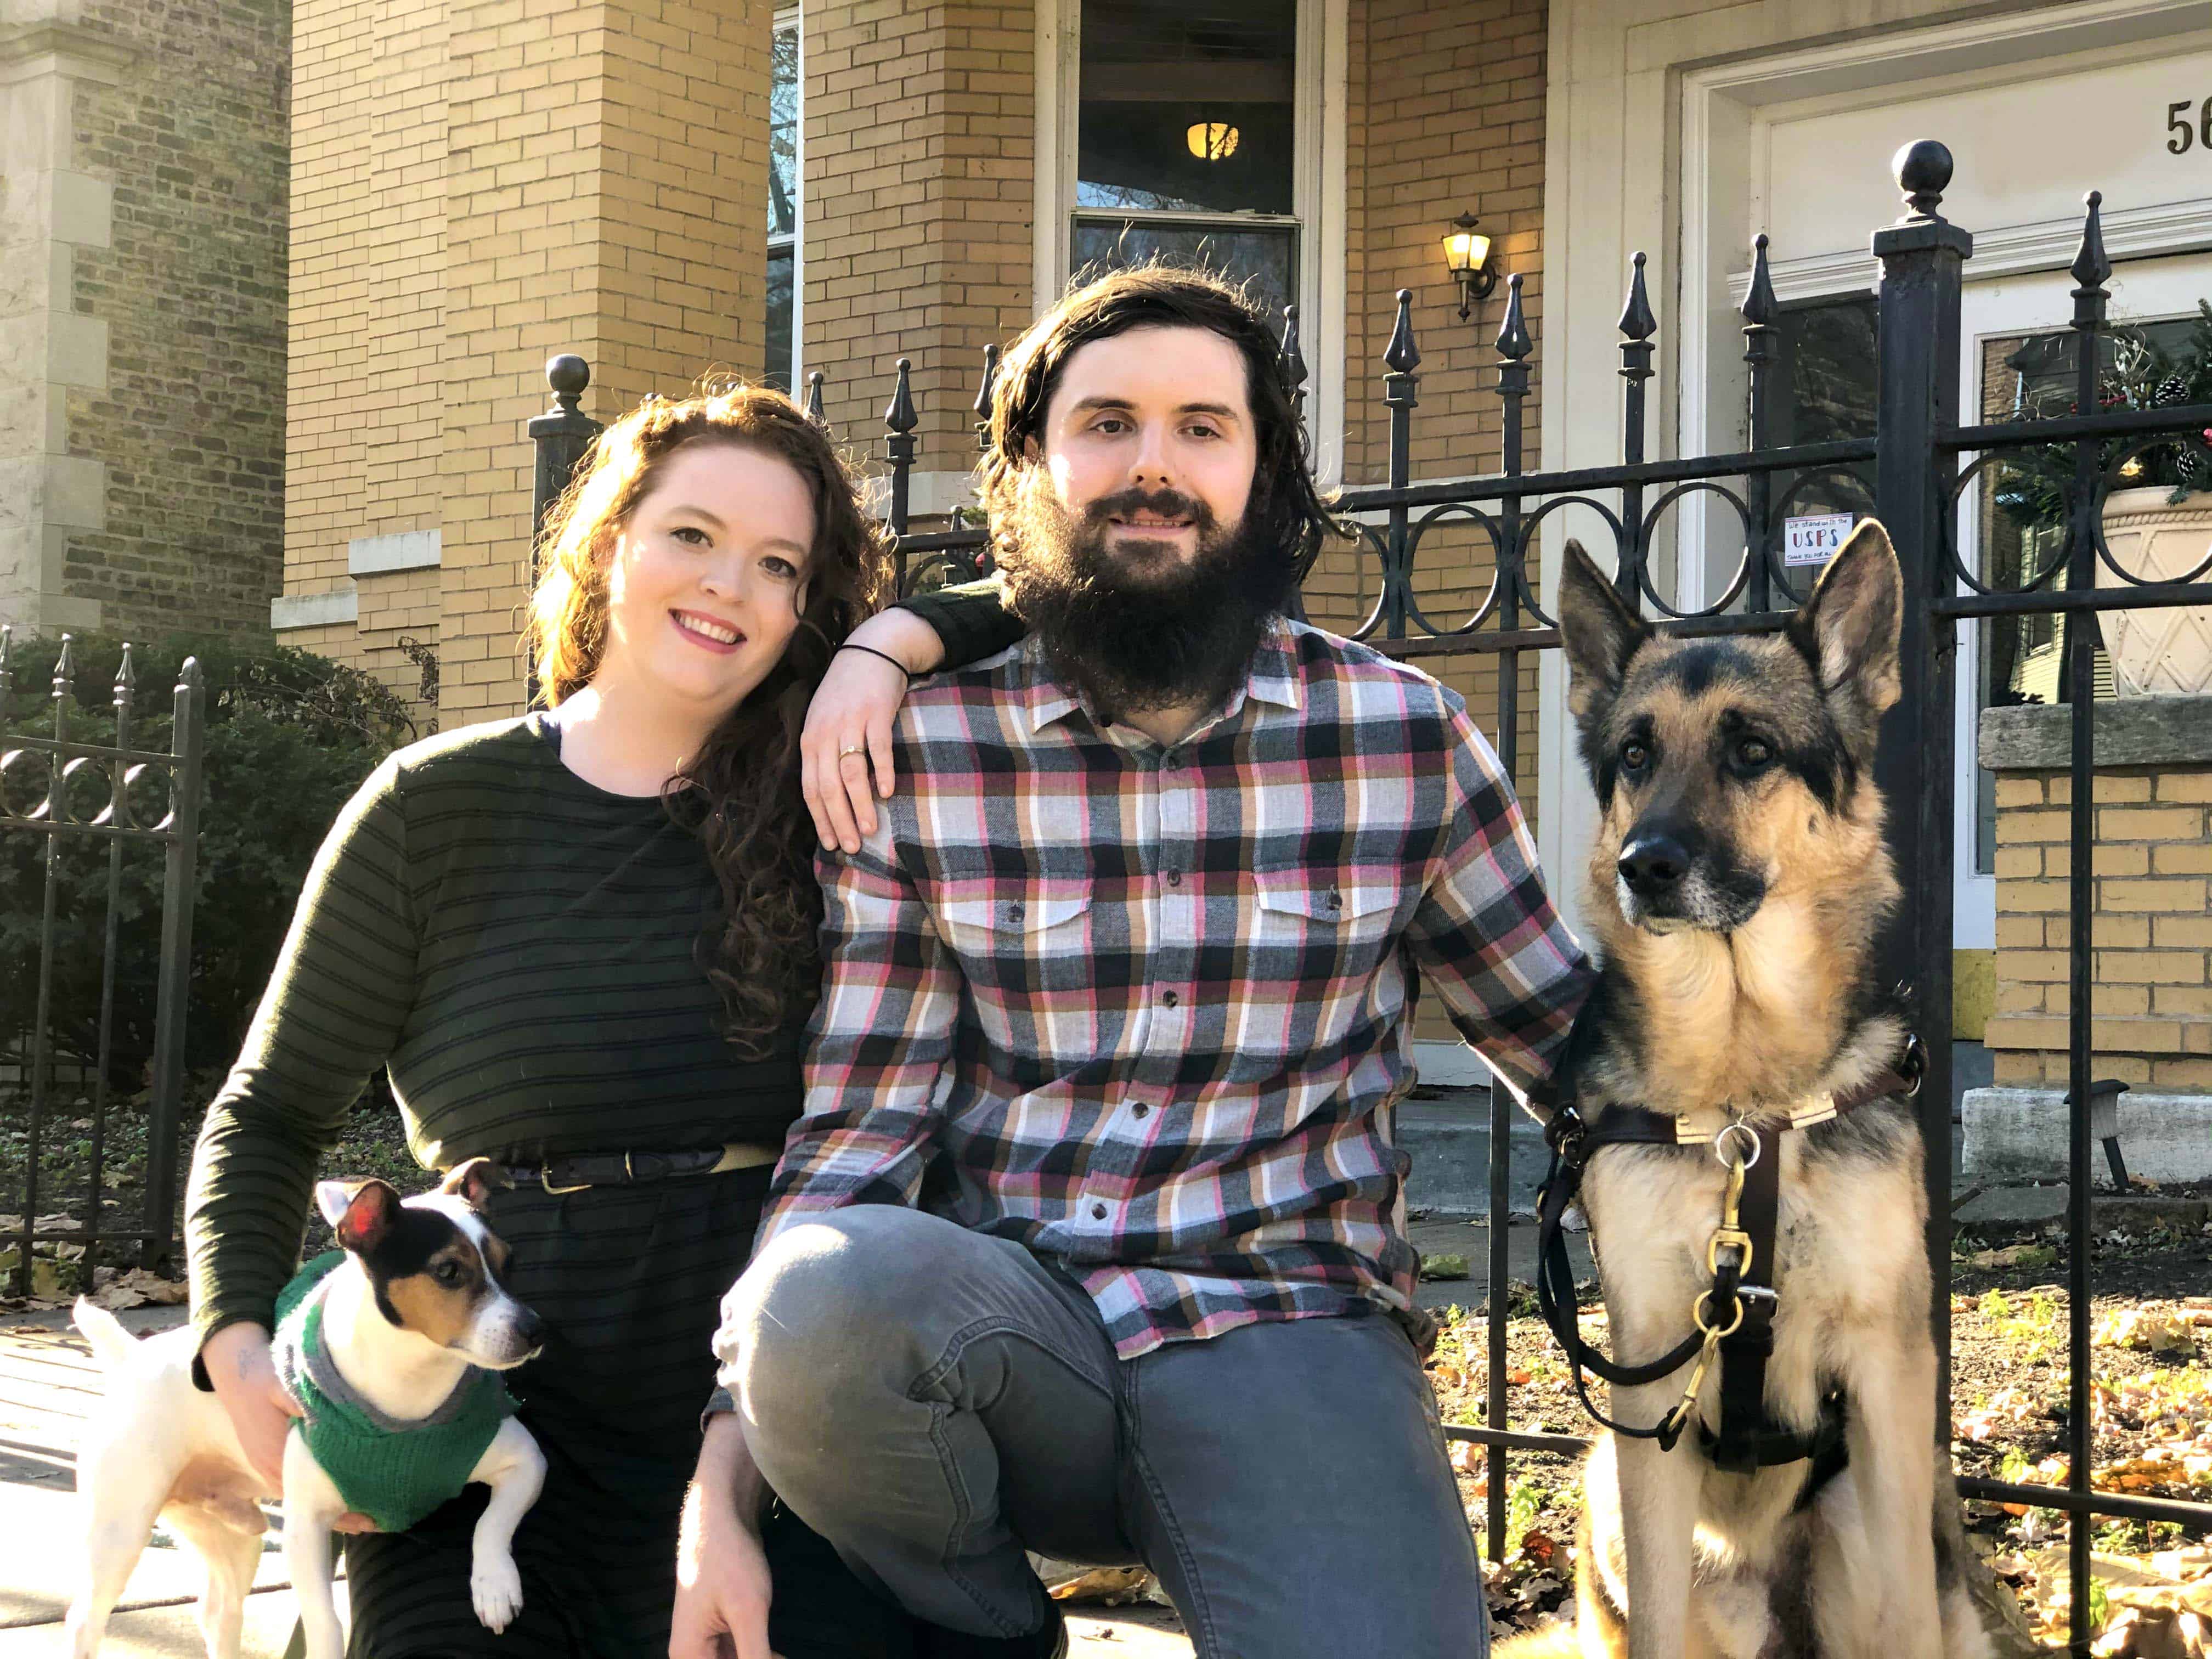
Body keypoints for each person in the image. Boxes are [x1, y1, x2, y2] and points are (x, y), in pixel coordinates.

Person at [681, 268, 1599, 1659]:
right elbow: (860, 1127)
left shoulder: (1405, 740)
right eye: (1105, 424)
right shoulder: (923, 757)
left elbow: (1573, 1048)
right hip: (1008, 1332)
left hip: (1290, 1318)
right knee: (817, 1297)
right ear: (1034, 467)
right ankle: (992, 1639)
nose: (1153, 466)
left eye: (1201, 429)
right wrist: (724, 1469)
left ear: (1264, 471)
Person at [181, 385, 1018, 1658]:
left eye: (779, 564)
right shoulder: (432, 808)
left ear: (809, 609)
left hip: (777, 1382)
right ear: (609, 540)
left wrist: (888, 644)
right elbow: (270, 1110)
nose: (729, 584)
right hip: (495, 1405)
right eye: (691, 534)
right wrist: (237, 1351)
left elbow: (1062, 594)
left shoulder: (838, 795)